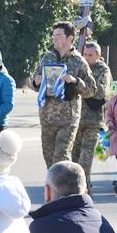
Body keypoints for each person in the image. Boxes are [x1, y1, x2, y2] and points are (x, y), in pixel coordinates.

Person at [32, 22, 96, 168]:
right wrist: (36, 81)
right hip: (47, 117)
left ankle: (63, 190)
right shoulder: (47, 58)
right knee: (49, 160)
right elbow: (33, 81)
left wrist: (75, 81)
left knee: (61, 158)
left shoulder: (79, 61)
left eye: (59, 35)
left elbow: (91, 90)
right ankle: (54, 189)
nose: (55, 39)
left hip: (67, 119)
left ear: (70, 38)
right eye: (53, 35)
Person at [72, 42, 113, 192]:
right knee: (73, 159)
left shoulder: (103, 70)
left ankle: (85, 189)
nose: (87, 57)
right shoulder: (80, 66)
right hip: (77, 118)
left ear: (98, 56)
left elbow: (102, 91)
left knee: (85, 159)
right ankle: (74, 189)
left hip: (93, 121)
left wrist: (82, 87)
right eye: (85, 54)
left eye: (91, 55)